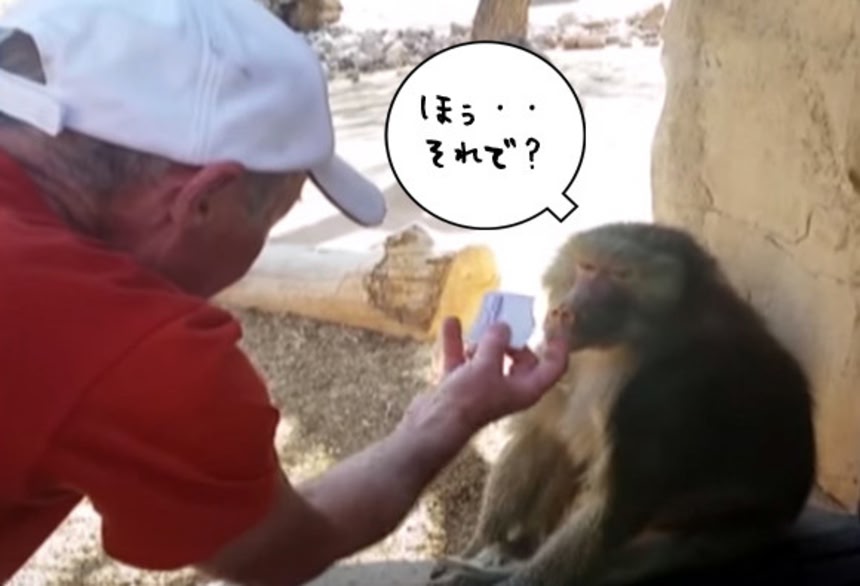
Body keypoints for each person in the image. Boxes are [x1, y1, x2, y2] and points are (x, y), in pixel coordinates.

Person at [0, 0, 570, 584]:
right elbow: (281, 546)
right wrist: (453, 415)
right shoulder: (135, 350)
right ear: (202, 200)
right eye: (277, 214)